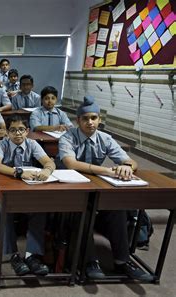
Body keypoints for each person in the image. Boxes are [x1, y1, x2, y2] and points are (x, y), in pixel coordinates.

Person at [58, 95, 152, 281]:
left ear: (99, 120)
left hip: (97, 188)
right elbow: (71, 163)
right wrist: (108, 171)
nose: (90, 122)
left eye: (94, 118)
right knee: (82, 210)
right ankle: (90, 261)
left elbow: (130, 161)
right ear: (78, 121)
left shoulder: (105, 138)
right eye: (85, 119)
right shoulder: (67, 137)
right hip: (71, 190)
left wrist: (127, 166)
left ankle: (122, 261)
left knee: (117, 207)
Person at [0, 115, 55, 276]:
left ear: (27, 131)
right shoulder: (2, 144)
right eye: (13, 130)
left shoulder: (32, 144)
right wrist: (18, 173)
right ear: (7, 132)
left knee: (39, 210)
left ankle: (32, 255)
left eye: (21, 130)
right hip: (5, 186)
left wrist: (47, 170)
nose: (17, 134)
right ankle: (13, 255)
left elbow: (49, 162)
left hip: (28, 187)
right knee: (4, 210)